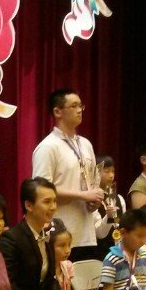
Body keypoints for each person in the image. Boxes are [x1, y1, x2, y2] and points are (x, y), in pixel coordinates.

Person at [31, 88, 102, 262]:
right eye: (73, 106)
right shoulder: (48, 147)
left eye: (81, 106)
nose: (79, 110)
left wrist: (95, 198)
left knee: (86, 277)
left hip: (87, 231)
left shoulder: (85, 144)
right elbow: (41, 191)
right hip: (60, 233)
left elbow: (92, 182)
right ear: (57, 112)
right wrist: (83, 195)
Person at [91, 156, 125, 261]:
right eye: (106, 171)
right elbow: (99, 234)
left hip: (119, 253)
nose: (111, 175)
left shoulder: (119, 199)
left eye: (113, 171)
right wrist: (108, 217)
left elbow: (123, 225)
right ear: (96, 173)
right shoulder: (92, 199)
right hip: (100, 255)